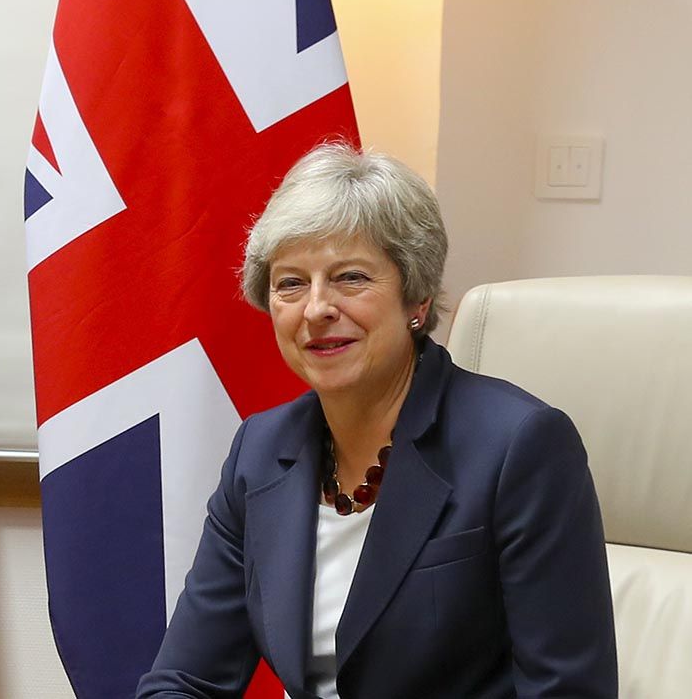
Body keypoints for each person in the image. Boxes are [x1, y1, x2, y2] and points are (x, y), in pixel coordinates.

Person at [135, 143, 617, 698]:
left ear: (416, 296)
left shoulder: (519, 448)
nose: (316, 308)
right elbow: (183, 679)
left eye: (350, 278)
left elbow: (569, 691)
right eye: (291, 283)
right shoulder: (261, 450)